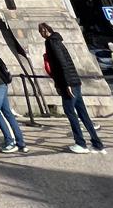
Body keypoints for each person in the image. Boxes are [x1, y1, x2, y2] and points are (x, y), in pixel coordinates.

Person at [39, 23, 106, 154]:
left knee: (70, 113)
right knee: (83, 114)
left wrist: (66, 84)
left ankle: (81, 144)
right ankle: (97, 144)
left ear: (49, 30)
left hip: (68, 84)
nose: (42, 33)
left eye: (44, 30)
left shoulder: (51, 43)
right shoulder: (57, 41)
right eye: (40, 31)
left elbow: (61, 64)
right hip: (74, 82)